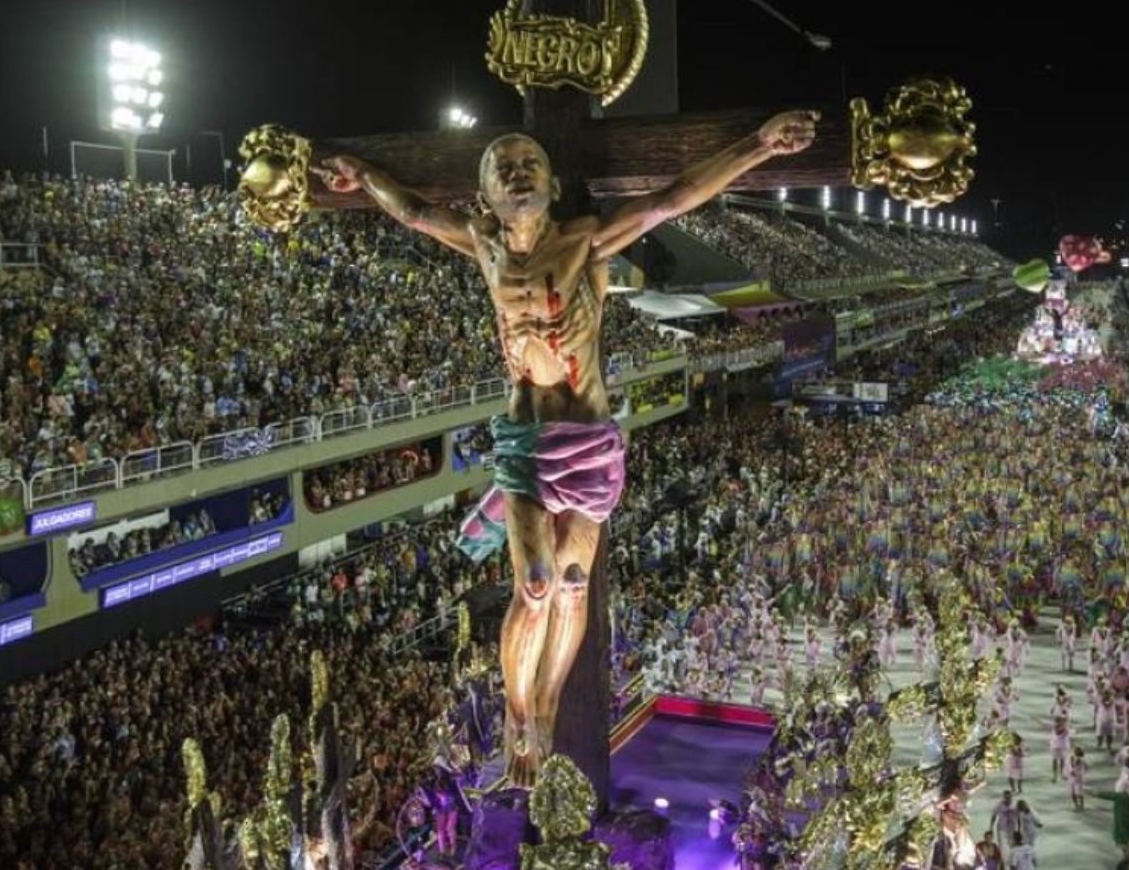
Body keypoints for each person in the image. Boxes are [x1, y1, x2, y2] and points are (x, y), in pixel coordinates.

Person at [300, 110, 819, 786]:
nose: (518, 173)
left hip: (588, 438)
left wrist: (758, 146)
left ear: (553, 185)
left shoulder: (585, 243)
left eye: (530, 164)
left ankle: (547, 701)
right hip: (525, 437)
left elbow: (673, 198)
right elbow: (416, 213)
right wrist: (364, 173)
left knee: (572, 587)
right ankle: (519, 712)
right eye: (503, 168)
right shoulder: (484, 247)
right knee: (536, 583)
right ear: (485, 194)